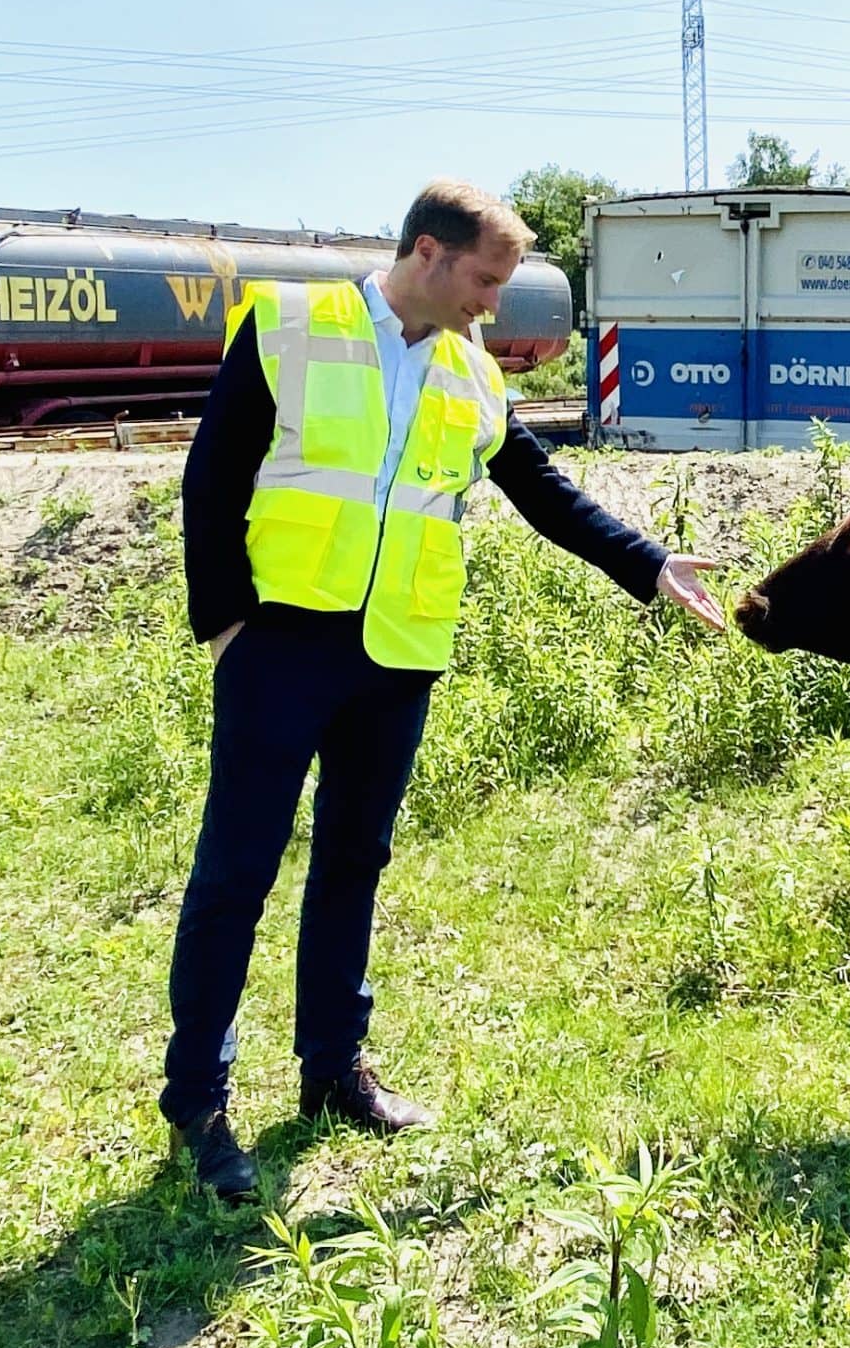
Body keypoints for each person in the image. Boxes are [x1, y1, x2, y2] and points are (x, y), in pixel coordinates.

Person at [162, 179, 723, 1197]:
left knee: (353, 865)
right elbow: (212, 477)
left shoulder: (471, 373)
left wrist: (646, 564)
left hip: (398, 653)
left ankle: (333, 1073)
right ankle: (198, 1100)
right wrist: (227, 625)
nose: (493, 306)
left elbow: (542, 490)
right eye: (486, 280)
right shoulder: (291, 325)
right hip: (283, 642)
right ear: (428, 252)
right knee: (236, 872)